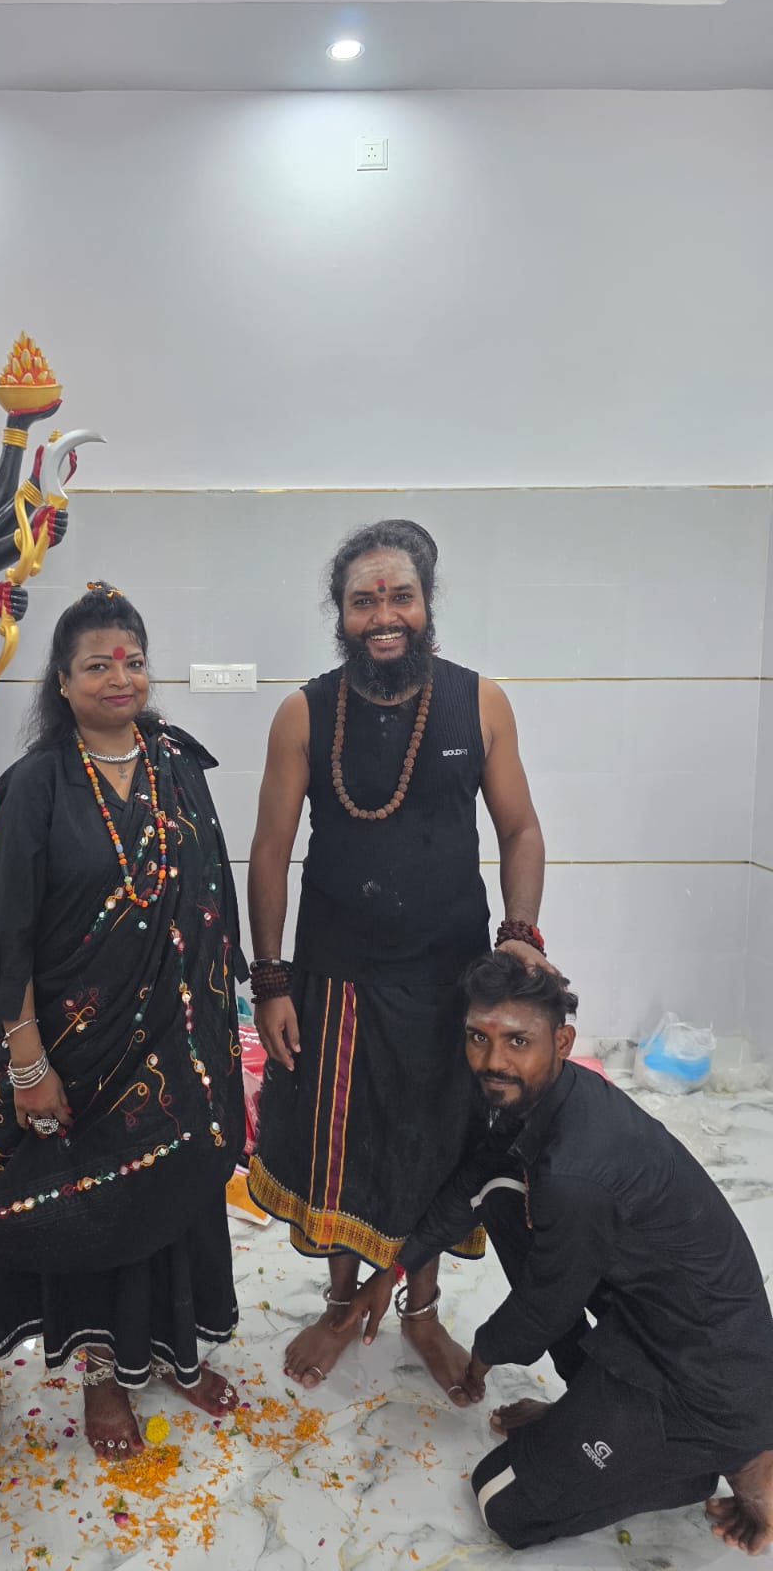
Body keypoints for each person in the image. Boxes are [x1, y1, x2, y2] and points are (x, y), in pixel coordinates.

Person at [246, 519, 547, 1398]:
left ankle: (420, 1310)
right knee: (338, 1147)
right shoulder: (304, 712)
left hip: (451, 976)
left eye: (400, 597)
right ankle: (342, 1304)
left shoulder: (479, 702)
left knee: (435, 1142)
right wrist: (271, 981)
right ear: (339, 614)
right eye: (363, 600)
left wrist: (520, 933)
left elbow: (521, 829)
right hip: (336, 976)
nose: (384, 616)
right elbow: (269, 852)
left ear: (427, 602)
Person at [342, 952, 773, 1555]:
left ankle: (727, 1462)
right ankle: (596, 1410)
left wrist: (481, 1360)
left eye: (518, 1041)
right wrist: (394, 1269)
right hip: (644, 1324)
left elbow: (548, 1302)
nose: (493, 1061)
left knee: (501, 1500)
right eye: (479, 1038)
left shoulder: (575, 1173)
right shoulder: (545, 1099)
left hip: (699, 1380)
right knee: (501, 1191)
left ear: (563, 1043)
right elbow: (475, 1181)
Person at [0, 582, 246, 1458]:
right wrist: (28, 1060)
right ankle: (102, 1374)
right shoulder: (36, 783)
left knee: (179, 1193)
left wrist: (231, 1013)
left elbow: (214, 898)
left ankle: (176, 1351)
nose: (120, 678)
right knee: (98, 1208)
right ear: (62, 680)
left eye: (134, 662)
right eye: (97, 666)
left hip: (181, 1041)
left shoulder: (178, 764)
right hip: (78, 1051)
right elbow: (4, 933)